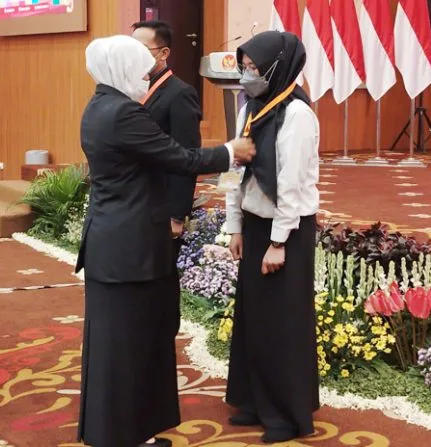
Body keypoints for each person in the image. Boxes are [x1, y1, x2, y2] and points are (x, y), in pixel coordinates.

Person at [75, 35, 255, 447]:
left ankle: (122, 431)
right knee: (130, 345)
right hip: (130, 247)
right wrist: (231, 151)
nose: (145, 79)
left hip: (111, 243)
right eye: (140, 72)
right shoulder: (123, 112)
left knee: (119, 345)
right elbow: (180, 157)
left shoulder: (98, 105)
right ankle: (122, 435)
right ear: (122, 69)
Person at [224, 30, 320, 443]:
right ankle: (253, 399)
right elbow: (235, 170)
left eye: (254, 68)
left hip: (287, 229)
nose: (247, 75)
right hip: (255, 224)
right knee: (253, 317)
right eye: (244, 67)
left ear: (278, 68)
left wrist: (278, 242)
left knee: (282, 322)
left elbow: (292, 183)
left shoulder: (297, 114)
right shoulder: (252, 107)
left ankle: (285, 413)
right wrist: (234, 225)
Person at [131, 20, 201, 246]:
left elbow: (186, 155)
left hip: (161, 201)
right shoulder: (130, 88)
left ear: (163, 53)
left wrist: (176, 214)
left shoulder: (180, 94)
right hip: (133, 197)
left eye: (142, 49)